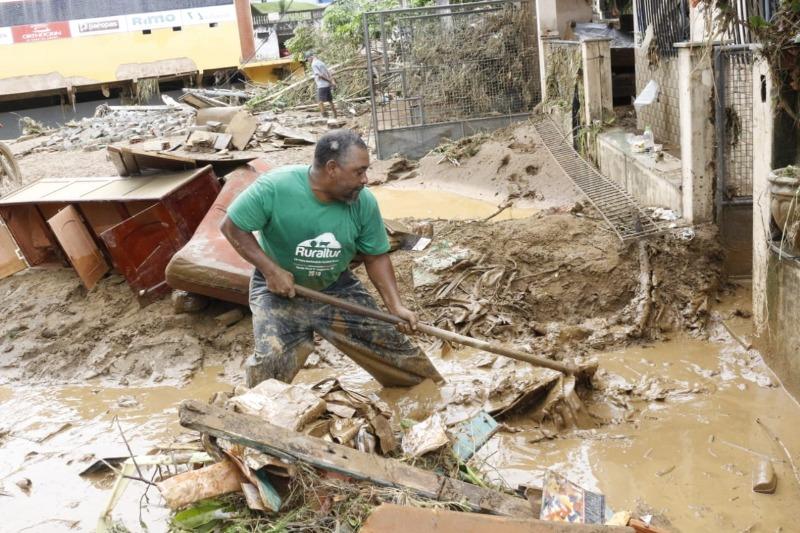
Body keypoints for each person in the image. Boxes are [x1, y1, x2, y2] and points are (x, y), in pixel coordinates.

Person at [221, 129, 443, 388]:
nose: (366, 179)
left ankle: (434, 398)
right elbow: (231, 227)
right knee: (268, 374)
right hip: (278, 291)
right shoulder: (275, 187)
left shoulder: (364, 203)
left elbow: (376, 257)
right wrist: (270, 270)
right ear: (332, 168)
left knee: (410, 368)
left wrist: (395, 307)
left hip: (337, 288)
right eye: (359, 172)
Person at [305, 51, 337, 118]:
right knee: (330, 101)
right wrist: (332, 81)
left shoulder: (313, 64)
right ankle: (335, 115)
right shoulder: (321, 62)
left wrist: (330, 81)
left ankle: (324, 117)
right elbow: (328, 72)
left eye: (307, 59)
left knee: (319, 102)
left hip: (322, 85)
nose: (308, 61)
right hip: (327, 85)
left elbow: (320, 75)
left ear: (310, 57)